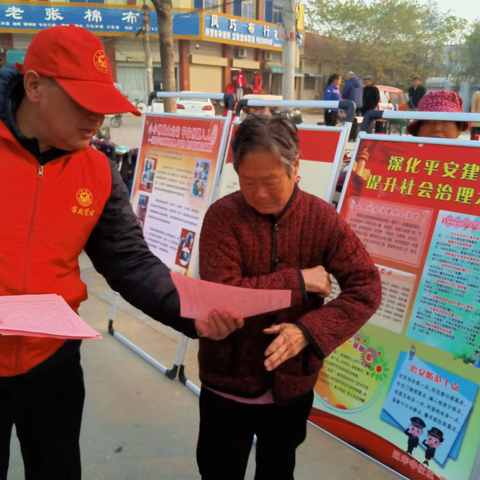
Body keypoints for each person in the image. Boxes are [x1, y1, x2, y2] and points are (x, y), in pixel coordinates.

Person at [0, 26, 241, 479]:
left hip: (52, 362)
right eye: (83, 104)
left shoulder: (97, 170)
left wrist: (193, 313)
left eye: (104, 109)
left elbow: (130, 261)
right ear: (34, 86)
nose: (96, 121)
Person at [197, 114, 382, 480]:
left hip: (291, 387)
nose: (259, 194)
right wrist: (298, 281)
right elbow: (225, 295)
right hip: (227, 383)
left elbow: (366, 287)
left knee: (279, 471)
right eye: (247, 182)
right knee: (218, 470)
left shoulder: (322, 218)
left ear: (295, 167)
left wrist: (307, 332)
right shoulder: (223, 217)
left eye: (270, 182)